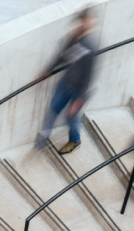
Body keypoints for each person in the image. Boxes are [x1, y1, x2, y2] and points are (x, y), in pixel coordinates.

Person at [34, 7, 97, 155]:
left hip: (78, 89)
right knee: (53, 109)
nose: (81, 25)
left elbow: (89, 74)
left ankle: (75, 140)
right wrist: (48, 70)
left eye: (85, 22)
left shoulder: (90, 46)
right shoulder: (73, 39)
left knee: (71, 117)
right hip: (66, 82)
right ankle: (43, 138)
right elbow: (62, 56)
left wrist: (79, 99)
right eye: (80, 22)